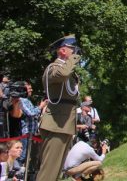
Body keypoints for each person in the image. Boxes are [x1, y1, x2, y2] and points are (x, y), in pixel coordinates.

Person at [38, 34, 81, 181]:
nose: (75, 52)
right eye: (72, 49)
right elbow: (63, 74)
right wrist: (74, 58)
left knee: (57, 172)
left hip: (64, 124)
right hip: (56, 124)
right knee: (49, 171)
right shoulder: (53, 68)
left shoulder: (66, 70)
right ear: (63, 51)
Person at [17, 81, 47, 164]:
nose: (31, 90)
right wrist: (41, 106)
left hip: (31, 133)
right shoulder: (21, 100)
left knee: (27, 155)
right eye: (29, 88)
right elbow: (31, 113)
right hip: (25, 132)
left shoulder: (27, 100)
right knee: (21, 156)